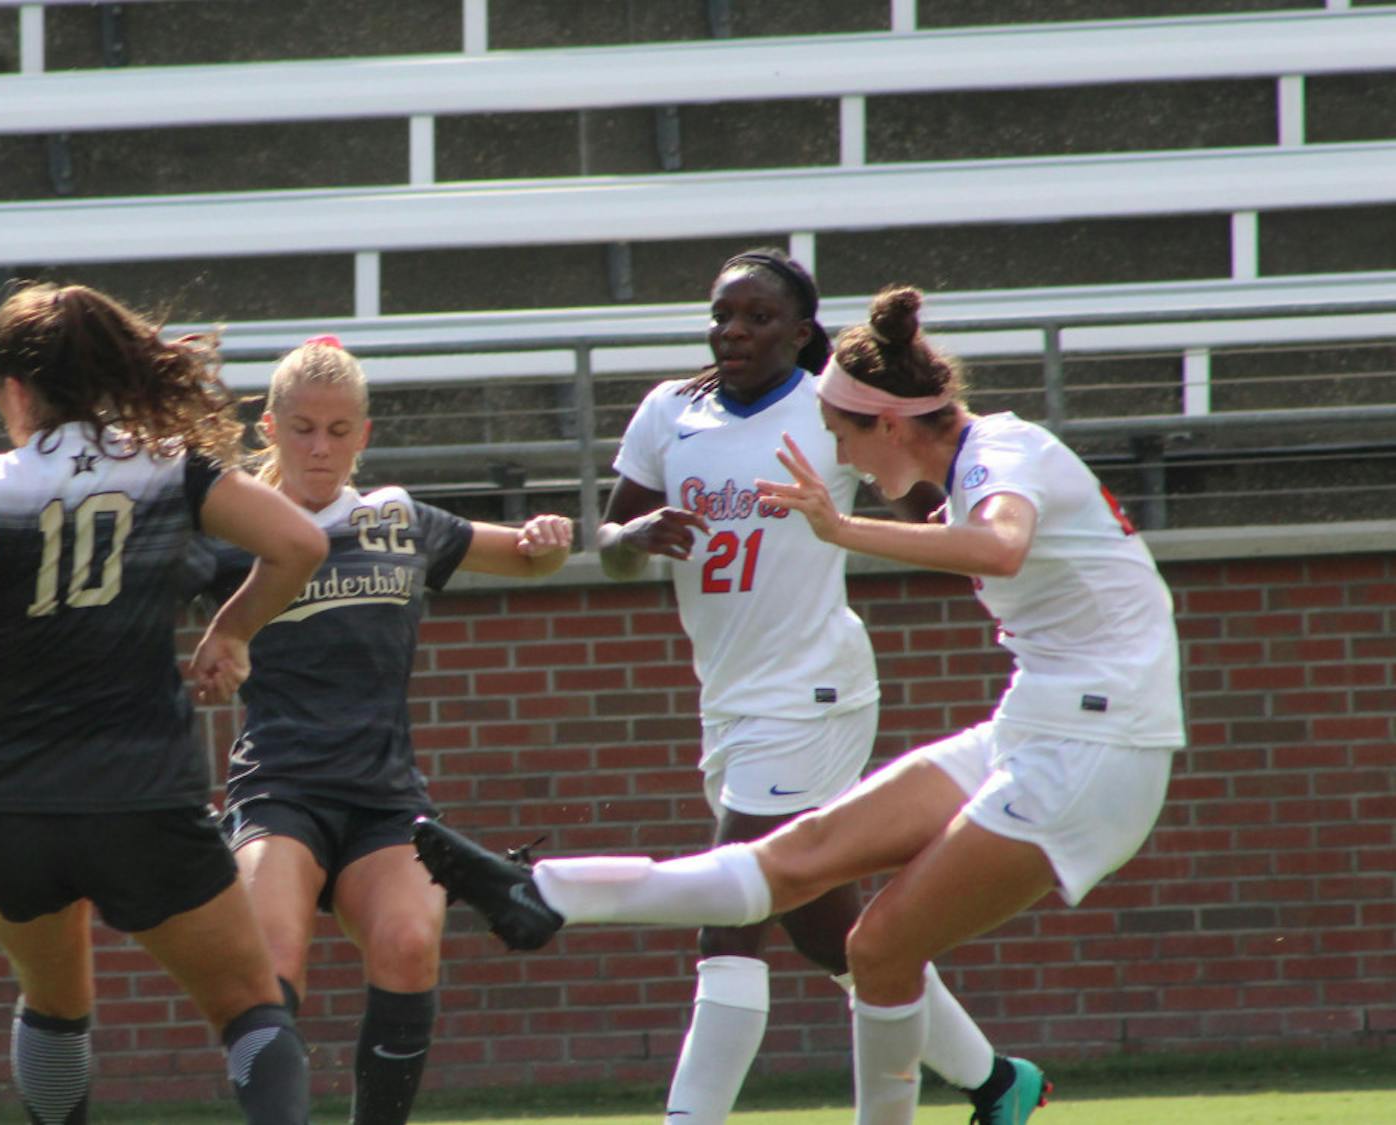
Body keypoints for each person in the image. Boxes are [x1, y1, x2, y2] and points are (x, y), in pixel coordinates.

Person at [414, 283, 1185, 1125]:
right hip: (1033, 723)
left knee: (871, 944)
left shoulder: (1001, 451)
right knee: (800, 878)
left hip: (1098, 748)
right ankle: (542, 888)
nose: (844, 458)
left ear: (888, 422)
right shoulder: (958, 460)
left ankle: (552, 903)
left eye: (846, 435)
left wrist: (840, 529)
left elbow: (1002, 546)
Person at [593, 248, 999, 1124]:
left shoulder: (827, 412)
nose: (734, 331)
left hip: (814, 690)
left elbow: (920, 495)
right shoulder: (670, 411)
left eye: (758, 317)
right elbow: (606, 534)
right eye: (722, 315)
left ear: (802, 331)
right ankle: (998, 1082)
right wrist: (633, 533)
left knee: (729, 909)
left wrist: (968, 521)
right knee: (827, 931)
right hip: (731, 696)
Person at [0, 282, 328, 1125]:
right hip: (143, 795)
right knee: (249, 1001)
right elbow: (299, 541)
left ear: (17, 389)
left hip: (8, 800)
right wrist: (231, 629)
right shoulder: (170, 468)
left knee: (55, 1004)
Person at [199, 336, 574, 1125]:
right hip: (279, 791)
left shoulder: (399, 519)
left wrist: (547, 536)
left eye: (339, 430)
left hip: (384, 799)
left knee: (409, 943)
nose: (320, 447)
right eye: (301, 427)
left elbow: (527, 560)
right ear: (268, 426)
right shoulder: (231, 526)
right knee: (269, 965)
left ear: (364, 435)